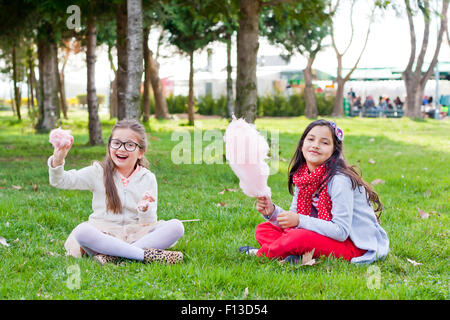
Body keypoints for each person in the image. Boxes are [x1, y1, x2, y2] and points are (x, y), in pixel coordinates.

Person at [239, 119, 389, 264]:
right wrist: (271, 212)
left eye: (324, 142)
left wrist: (299, 220)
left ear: (334, 150)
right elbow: (293, 218)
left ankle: (262, 253)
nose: (316, 145)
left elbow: (341, 231)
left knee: (298, 238)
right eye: (311, 139)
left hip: (355, 245)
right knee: (264, 229)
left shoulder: (339, 180)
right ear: (302, 144)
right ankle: (295, 253)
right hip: (323, 236)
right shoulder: (303, 177)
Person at [48, 119, 185, 265]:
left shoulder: (148, 178)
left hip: (137, 234)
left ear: (141, 152)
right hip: (104, 235)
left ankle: (114, 256)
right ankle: (140, 255)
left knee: (177, 226)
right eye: (116, 143)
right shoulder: (97, 172)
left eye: (130, 145)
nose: (121, 149)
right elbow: (61, 180)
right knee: (82, 231)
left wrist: (145, 210)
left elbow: (149, 222)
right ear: (109, 146)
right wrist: (58, 160)